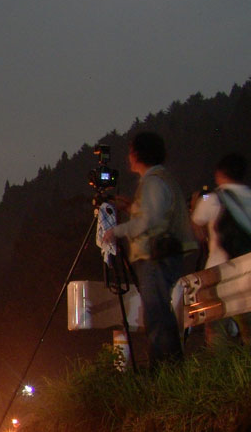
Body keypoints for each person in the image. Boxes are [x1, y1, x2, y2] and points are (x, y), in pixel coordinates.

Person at [101, 132, 197, 368]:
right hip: (160, 256)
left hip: (156, 256)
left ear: (137, 154)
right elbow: (153, 214)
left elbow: (150, 221)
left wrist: (117, 231)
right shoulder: (159, 180)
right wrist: (131, 207)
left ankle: (165, 370)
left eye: (131, 152)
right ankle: (167, 368)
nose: (128, 157)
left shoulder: (153, 181)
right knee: (157, 314)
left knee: (157, 316)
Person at [190, 152, 251, 342]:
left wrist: (194, 205)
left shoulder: (212, 198)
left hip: (219, 271)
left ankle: (221, 368)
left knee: (217, 329)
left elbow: (198, 230)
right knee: (248, 328)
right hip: (247, 271)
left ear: (219, 173)